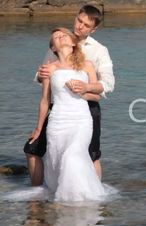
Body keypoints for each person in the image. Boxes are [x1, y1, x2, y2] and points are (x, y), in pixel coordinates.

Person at [24, 4, 115, 186]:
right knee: (33, 149)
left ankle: (95, 197)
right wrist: (40, 76)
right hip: (59, 107)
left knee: (91, 155)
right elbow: (44, 74)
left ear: (93, 29)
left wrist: (86, 87)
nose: (80, 26)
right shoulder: (59, 40)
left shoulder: (99, 50)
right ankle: (38, 194)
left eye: (86, 25)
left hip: (87, 108)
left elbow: (108, 84)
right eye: (78, 20)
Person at [29, 27, 106, 201]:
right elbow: (44, 101)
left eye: (64, 35)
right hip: (58, 121)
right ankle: (63, 198)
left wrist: (83, 90)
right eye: (56, 37)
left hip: (81, 119)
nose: (61, 37)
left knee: (73, 155)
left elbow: (97, 96)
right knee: (59, 160)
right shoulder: (49, 68)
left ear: (72, 42)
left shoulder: (87, 65)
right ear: (53, 48)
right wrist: (38, 129)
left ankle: (79, 199)